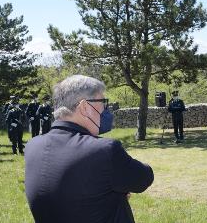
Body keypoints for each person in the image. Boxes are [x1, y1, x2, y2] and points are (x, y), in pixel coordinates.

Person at [25, 75, 154, 223]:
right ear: (85, 107)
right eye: (102, 103)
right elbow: (144, 178)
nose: (105, 110)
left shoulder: (32, 146)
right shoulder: (104, 150)